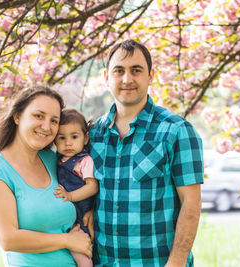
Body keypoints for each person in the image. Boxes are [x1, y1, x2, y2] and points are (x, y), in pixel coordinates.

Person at [85, 39, 204, 266]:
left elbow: (191, 204)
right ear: (106, 77)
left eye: (136, 70)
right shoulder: (92, 135)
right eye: (119, 71)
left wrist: (177, 262)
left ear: (150, 76)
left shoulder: (177, 131)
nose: (127, 79)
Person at [0, 86, 92, 267]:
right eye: (38, 116)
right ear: (17, 117)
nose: (47, 126)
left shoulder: (53, 160)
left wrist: (88, 211)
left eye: (54, 120)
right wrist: (67, 240)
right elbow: (8, 239)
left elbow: (78, 191)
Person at [53, 108, 99, 267]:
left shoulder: (84, 161)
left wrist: (70, 196)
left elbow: (92, 187)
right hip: (65, 218)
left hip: (80, 217)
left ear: (85, 138)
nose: (68, 143)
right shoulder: (58, 160)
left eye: (74, 137)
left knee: (83, 257)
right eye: (62, 138)